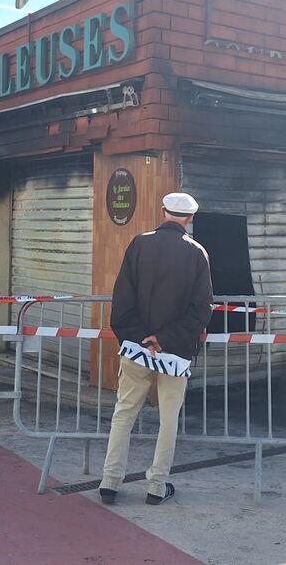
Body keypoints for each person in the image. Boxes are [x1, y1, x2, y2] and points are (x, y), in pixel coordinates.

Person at [99, 192, 213, 506]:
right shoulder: (197, 253)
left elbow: (122, 300)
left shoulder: (139, 244)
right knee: (168, 418)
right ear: (189, 219)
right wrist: (164, 339)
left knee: (124, 413)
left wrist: (141, 338)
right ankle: (157, 486)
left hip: (136, 349)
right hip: (175, 353)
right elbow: (202, 308)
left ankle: (110, 481)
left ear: (162, 211)